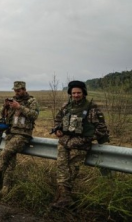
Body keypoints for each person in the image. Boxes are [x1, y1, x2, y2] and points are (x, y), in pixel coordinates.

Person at [50, 80, 109, 209]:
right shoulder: (66, 106)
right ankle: (65, 199)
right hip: (64, 142)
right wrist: (58, 130)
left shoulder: (92, 107)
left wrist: (87, 138)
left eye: (79, 93)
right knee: (61, 168)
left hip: (81, 144)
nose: (76, 95)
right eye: (74, 93)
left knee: (71, 170)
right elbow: (57, 120)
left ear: (84, 93)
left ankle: (63, 199)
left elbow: (102, 129)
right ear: (70, 93)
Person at [0, 81, 39, 196]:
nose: (17, 92)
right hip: (10, 133)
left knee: (5, 154)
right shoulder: (13, 101)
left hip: (23, 134)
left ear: (24, 89)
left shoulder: (31, 101)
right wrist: (5, 107)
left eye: (19, 90)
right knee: (10, 161)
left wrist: (20, 107)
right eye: (15, 90)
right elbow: (4, 116)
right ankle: (6, 187)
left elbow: (34, 115)